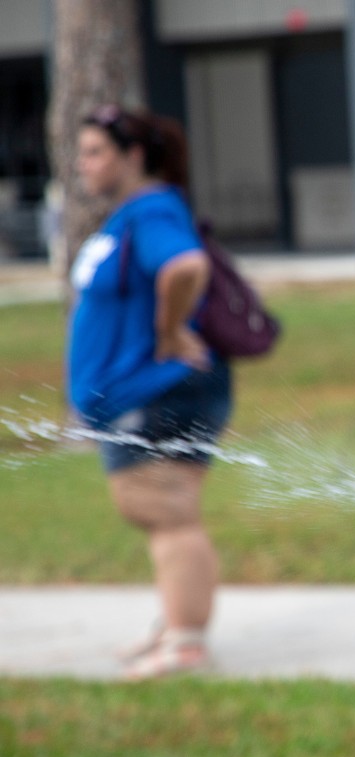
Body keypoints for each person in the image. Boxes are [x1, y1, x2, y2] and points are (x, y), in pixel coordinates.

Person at [67, 104, 232, 680]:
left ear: (132, 156)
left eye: (93, 152)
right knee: (162, 511)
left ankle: (186, 644)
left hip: (159, 389)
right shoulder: (133, 216)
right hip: (145, 390)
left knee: (164, 511)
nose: (81, 164)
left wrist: (168, 334)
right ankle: (175, 627)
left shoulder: (152, 211)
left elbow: (185, 268)